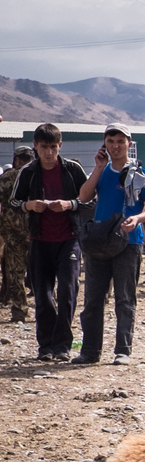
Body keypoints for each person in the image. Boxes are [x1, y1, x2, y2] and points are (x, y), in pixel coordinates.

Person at [73, 124, 145, 365]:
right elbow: (83, 197)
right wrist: (98, 168)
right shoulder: (102, 172)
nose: (116, 146)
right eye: (111, 141)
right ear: (105, 144)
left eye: (121, 141)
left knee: (124, 298)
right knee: (92, 299)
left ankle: (123, 350)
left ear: (129, 144)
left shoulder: (140, 173)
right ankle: (90, 351)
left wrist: (138, 219)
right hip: (99, 242)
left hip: (129, 242)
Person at [9, 124, 88, 359]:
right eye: (44, 147)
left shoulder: (72, 170)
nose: (49, 152)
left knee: (67, 291)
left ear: (60, 146)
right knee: (42, 295)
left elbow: (88, 199)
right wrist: (29, 205)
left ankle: (63, 345)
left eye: (53, 147)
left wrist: (69, 204)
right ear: (35, 146)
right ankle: (46, 346)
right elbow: (14, 201)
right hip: (40, 240)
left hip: (69, 239)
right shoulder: (29, 172)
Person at [0, 145, 34, 322]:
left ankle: (20, 309)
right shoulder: (37, 175)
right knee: (41, 271)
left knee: (15, 273)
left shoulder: (7, 177)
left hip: (12, 232)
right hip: (36, 231)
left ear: (17, 160)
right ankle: (48, 306)